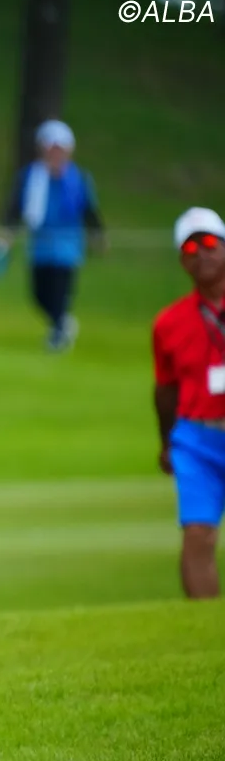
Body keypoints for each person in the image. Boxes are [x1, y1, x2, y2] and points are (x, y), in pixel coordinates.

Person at [152, 207, 225, 600]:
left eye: (210, 243)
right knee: (198, 534)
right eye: (191, 248)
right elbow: (165, 389)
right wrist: (167, 442)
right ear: (182, 260)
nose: (202, 253)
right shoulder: (169, 323)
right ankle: (204, 623)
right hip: (197, 438)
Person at [0, 120, 107, 352]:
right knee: (39, 294)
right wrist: (7, 233)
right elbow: (15, 207)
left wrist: (97, 235)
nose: (55, 154)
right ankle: (62, 323)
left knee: (60, 292)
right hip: (40, 246)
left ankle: (58, 333)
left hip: (67, 246)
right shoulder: (30, 177)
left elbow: (89, 209)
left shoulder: (78, 178)